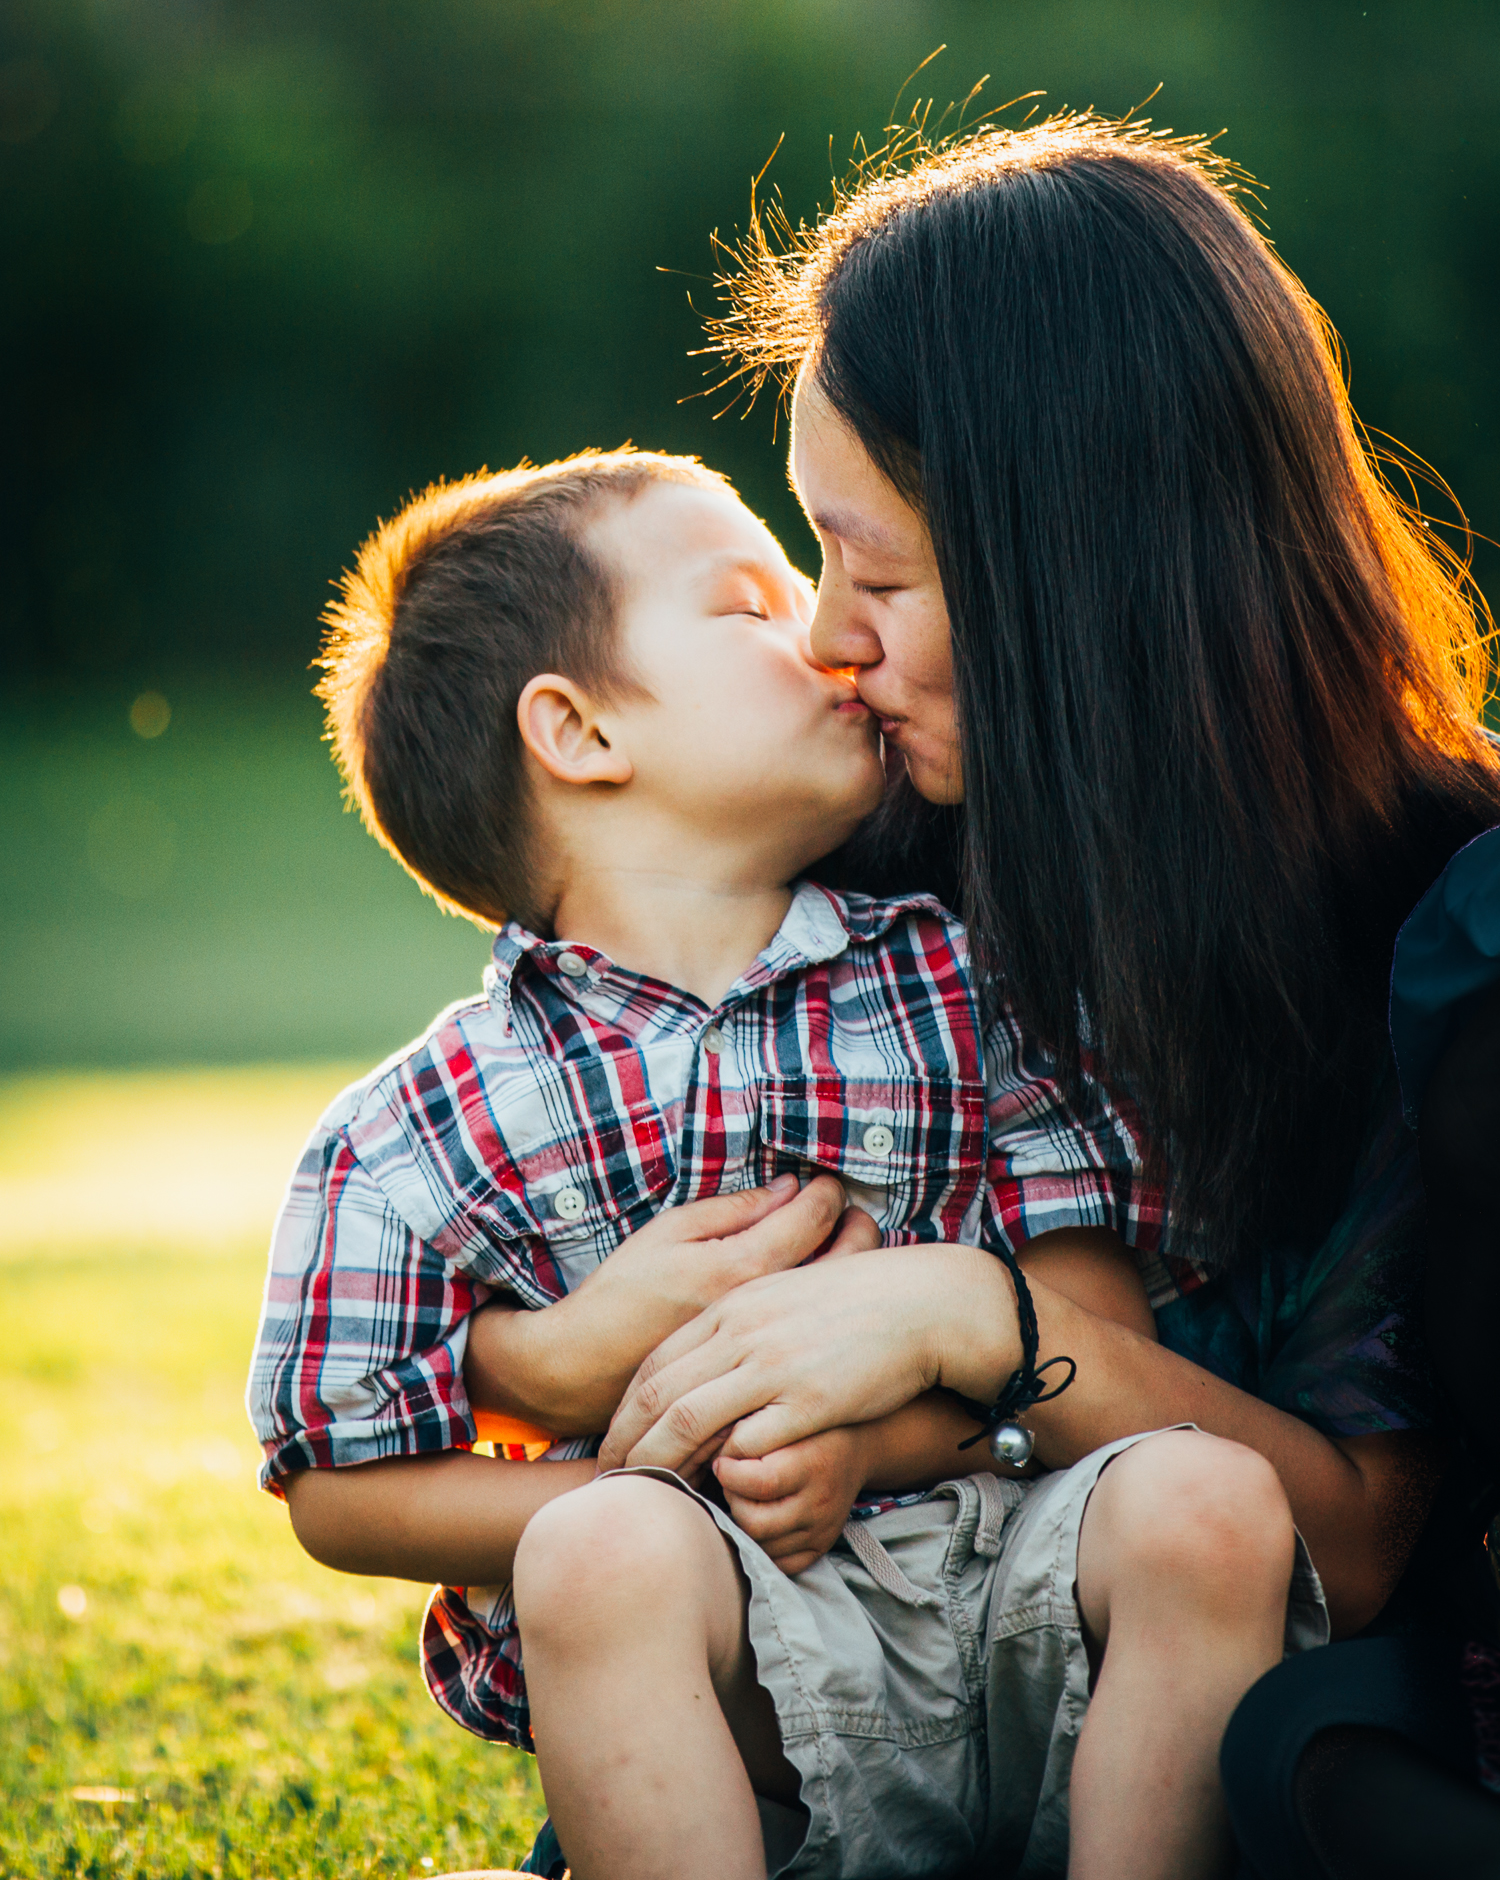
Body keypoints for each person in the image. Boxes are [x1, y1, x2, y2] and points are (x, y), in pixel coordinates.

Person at [598, 112, 1500, 1871]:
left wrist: (986, 1318)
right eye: (812, 564)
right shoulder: (882, 874)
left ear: (1071, 572)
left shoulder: (1446, 933)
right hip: (922, 1683)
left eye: (879, 572)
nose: (825, 645)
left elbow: (1366, 1539)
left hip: (1270, 1687)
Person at [246, 443, 1323, 1880]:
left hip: (1022, 1586)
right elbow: (336, 1479)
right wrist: (670, 1489)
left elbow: (1096, 1343)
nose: (821, 636)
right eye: (750, 605)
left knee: (1212, 1499)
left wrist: (872, 1446)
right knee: (593, 1558)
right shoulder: (421, 1129)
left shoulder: (979, 988)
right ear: (575, 732)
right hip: (752, 1677)